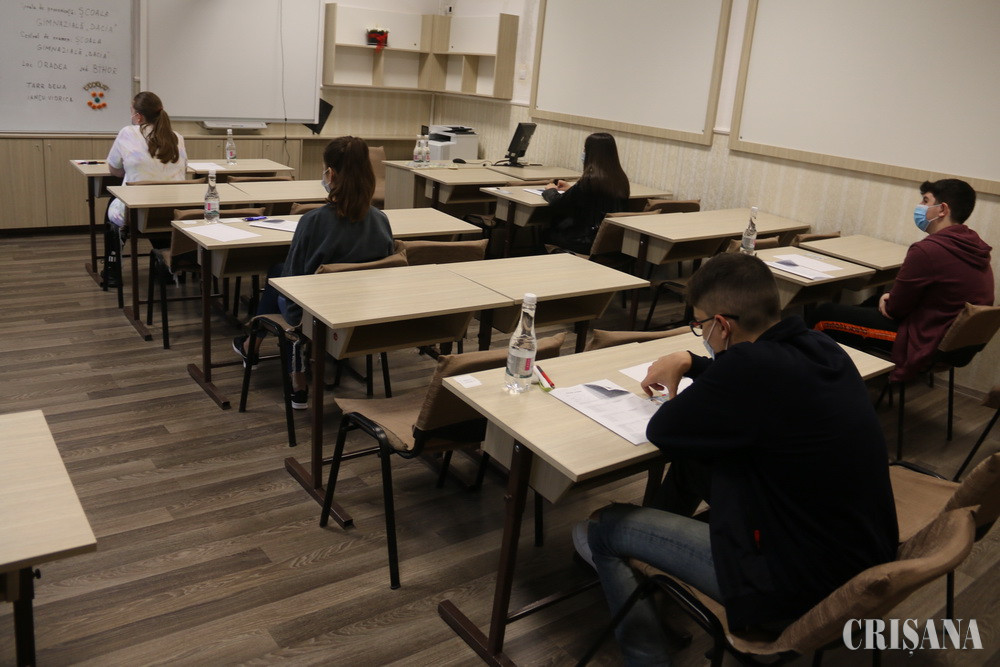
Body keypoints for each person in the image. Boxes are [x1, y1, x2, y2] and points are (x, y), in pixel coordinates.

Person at [579, 253, 898, 665]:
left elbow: (664, 430)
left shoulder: (749, 366)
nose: (702, 336)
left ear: (722, 325)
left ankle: (648, 658)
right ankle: (650, 571)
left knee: (604, 528)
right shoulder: (819, 346)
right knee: (695, 463)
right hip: (860, 558)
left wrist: (705, 367)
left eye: (700, 326)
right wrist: (691, 362)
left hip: (799, 588)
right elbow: (756, 385)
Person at [233, 136, 394, 409]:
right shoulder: (381, 220)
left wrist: (295, 320)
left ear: (330, 174)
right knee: (278, 271)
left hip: (316, 315)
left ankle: (293, 377)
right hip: (362, 312)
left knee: (280, 279)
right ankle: (252, 345)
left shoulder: (313, 221)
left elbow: (294, 284)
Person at [807, 178, 993, 382]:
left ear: (942, 210)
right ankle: (851, 376)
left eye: (925, 201)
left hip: (923, 340)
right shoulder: (974, 246)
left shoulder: (927, 250)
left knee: (824, 314)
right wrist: (888, 298)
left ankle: (815, 382)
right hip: (952, 341)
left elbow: (896, 309)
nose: (920, 206)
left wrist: (889, 299)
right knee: (871, 302)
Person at [104, 92, 187, 286]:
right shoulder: (177, 137)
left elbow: (114, 170)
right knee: (158, 218)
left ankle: (112, 270)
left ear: (139, 117)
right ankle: (167, 266)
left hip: (137, 212)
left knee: (113, 205)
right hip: (172, 211)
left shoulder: (127, 132)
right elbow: (183, 169)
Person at [541, 132, 630, 254]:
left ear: (591, 153)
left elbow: (557, 203)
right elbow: (593, 197)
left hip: (582, 241)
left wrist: (551, 189)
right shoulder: (620, 179)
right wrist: (571, 189)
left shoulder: (589, 180)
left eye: (584, 149)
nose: (583, 152)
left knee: (544, 233)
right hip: (608, 243)